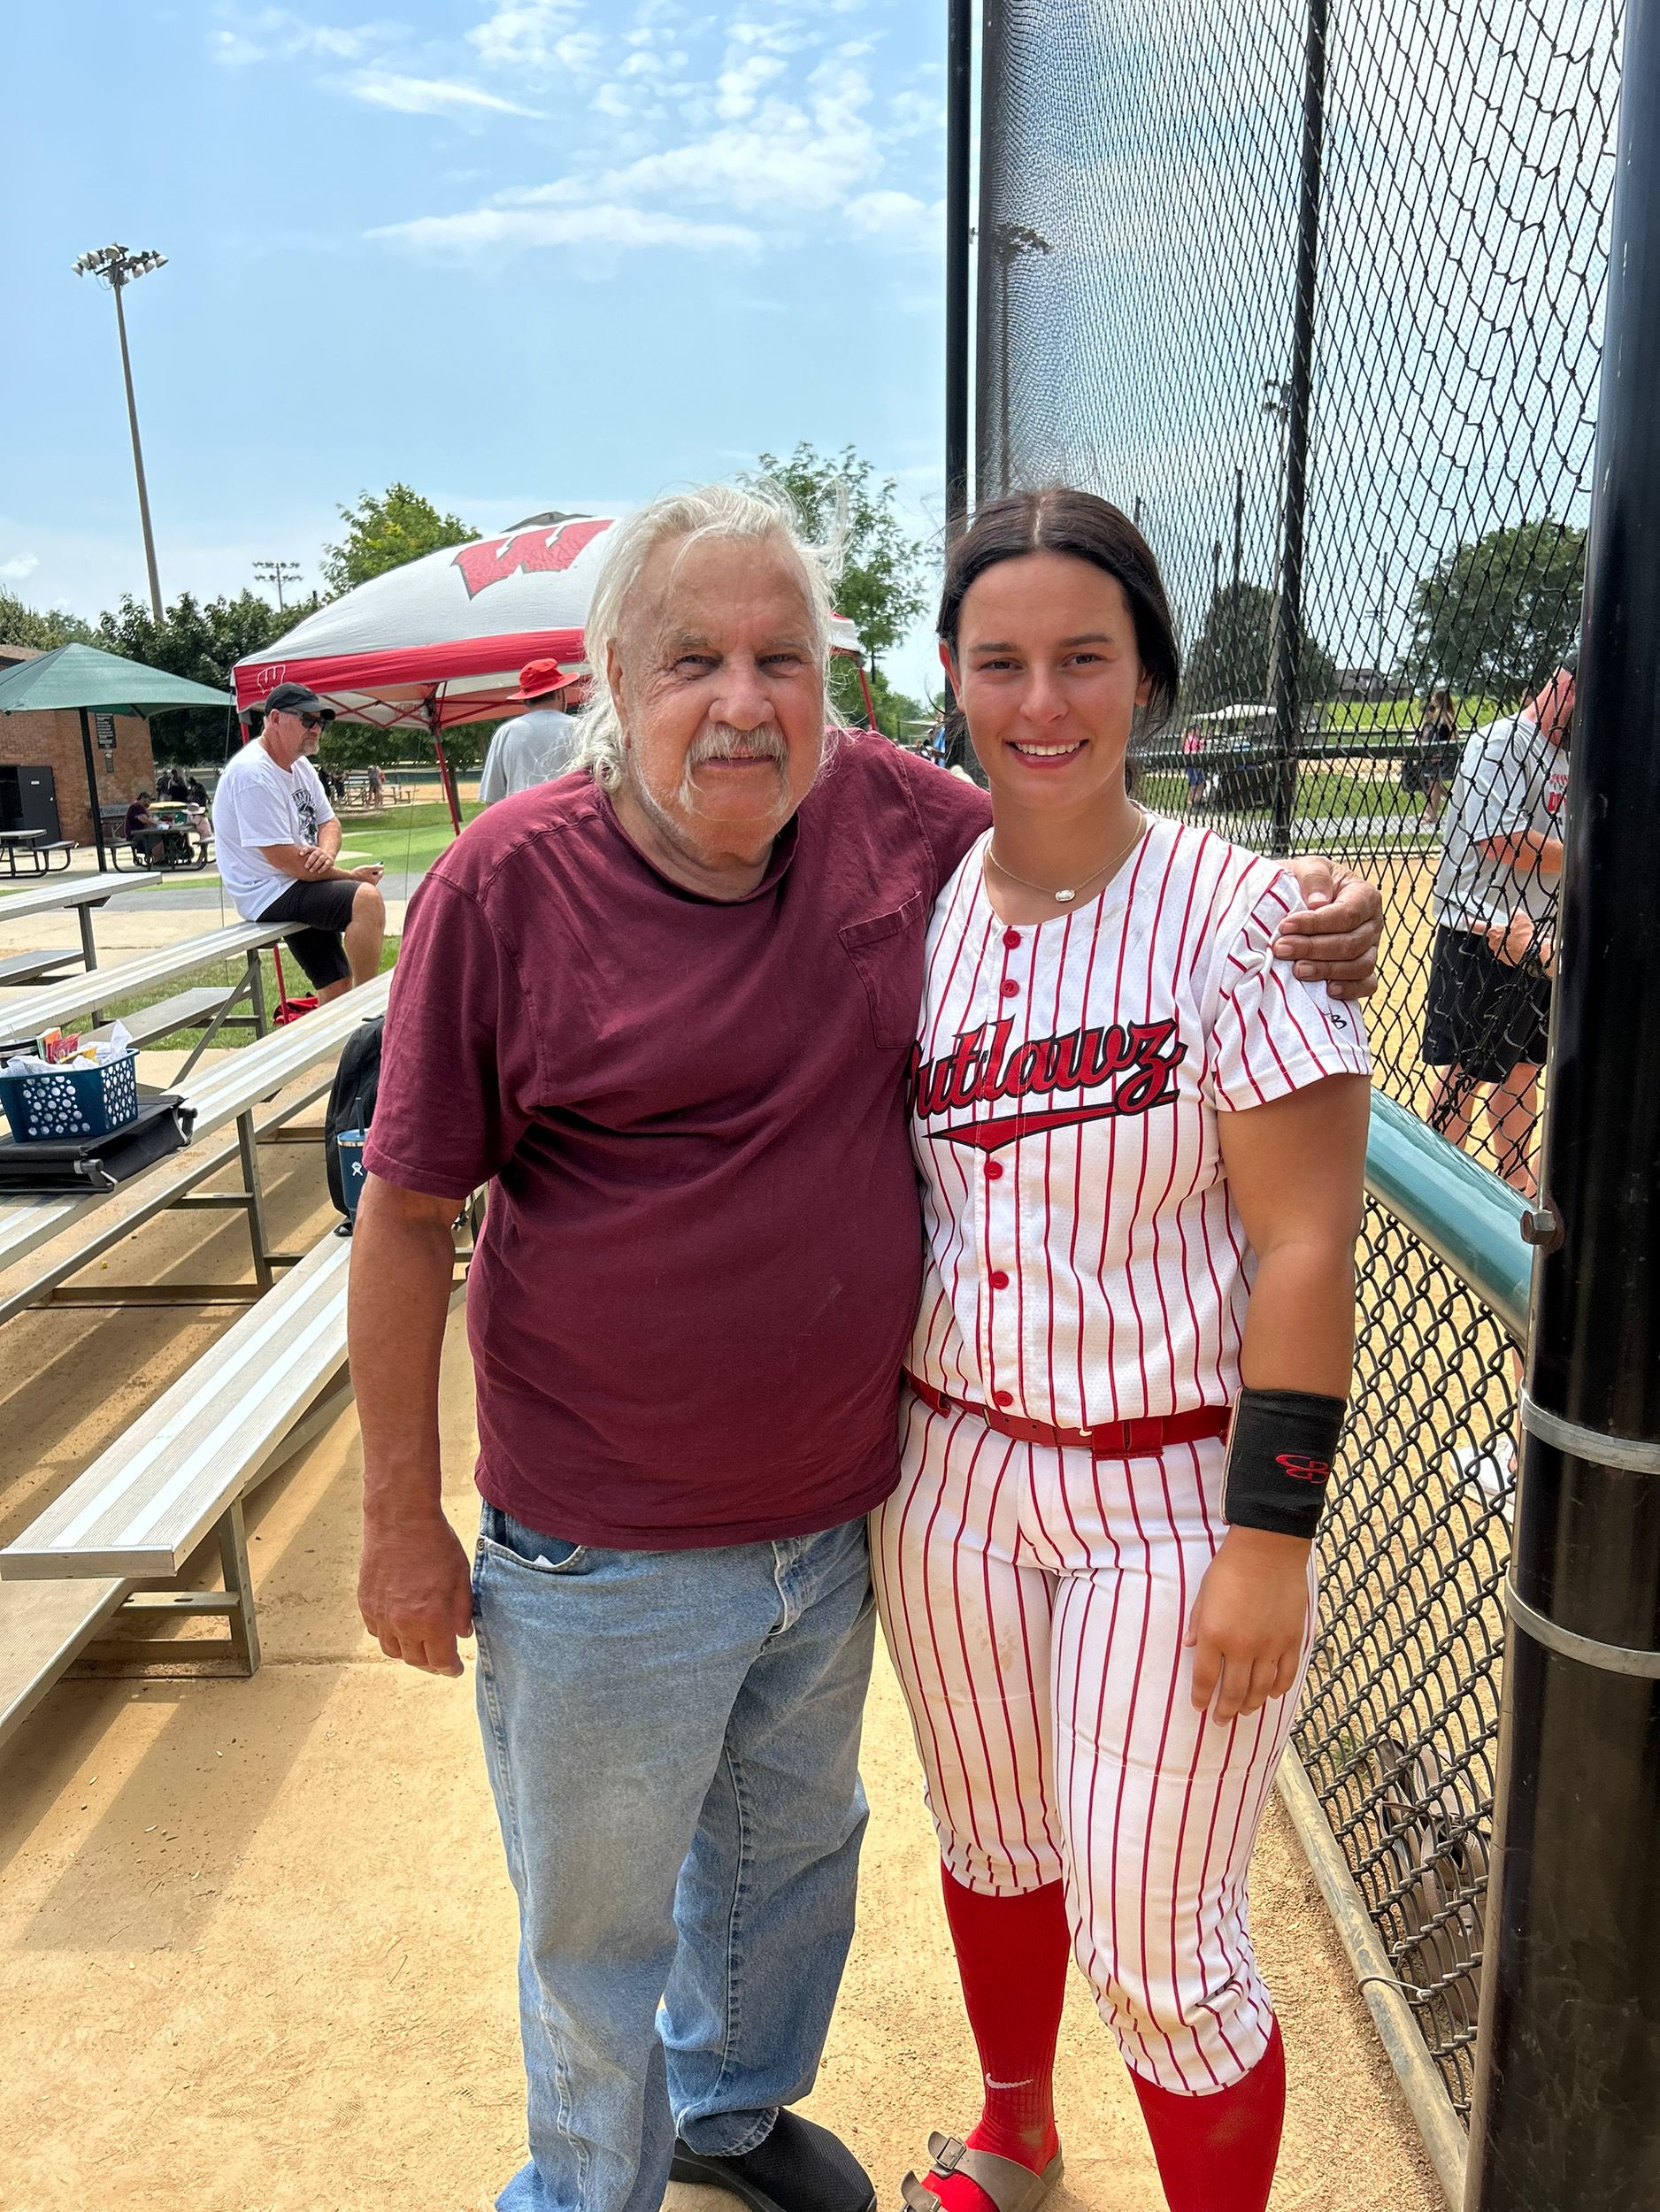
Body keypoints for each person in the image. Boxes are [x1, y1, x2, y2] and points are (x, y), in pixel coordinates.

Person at [347, 485, 1382, 2212]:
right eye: (691, 659)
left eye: (778, 658)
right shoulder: (558, 883)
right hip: (757, 1512)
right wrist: (398, 1512)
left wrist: (1307, 895)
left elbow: (1275, 1189)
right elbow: (401, 1208)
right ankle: (703, 2174)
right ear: (611, 674)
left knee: (914, 1896)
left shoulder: (934, 835)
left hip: (956, 1506)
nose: (739, 700)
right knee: (654, 1909)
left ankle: (737, 2126)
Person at [872, 489, 1371, 2212]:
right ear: (947, 676)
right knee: (994, 1844)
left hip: (1167, 1490)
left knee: (1160, 1942)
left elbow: (1308, 1240)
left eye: (1082, 656)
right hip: (943, 1475)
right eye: (999, 659)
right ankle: (1014, 2133)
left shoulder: (1244, 918)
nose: (1040, 700)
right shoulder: (921, 899)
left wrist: (1270, 1532)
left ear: (1146, 676)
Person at [1421, 657, 1573, 1191]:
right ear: (1564, 683)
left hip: (1538, 935)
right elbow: (1500, 840)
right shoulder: (1502, 742)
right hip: (1481, 926)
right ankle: (1440, 1180)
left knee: (1524, 1068)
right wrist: (1590, 860)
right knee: (1464, 1071)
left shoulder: (1571, 754)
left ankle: (1516, 1183)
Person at [213, 682, 387, 1003]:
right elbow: (286, 861)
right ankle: (367, 1013)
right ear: (275, 719)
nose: (317, 728)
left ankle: (340, 1048)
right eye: (308, 720)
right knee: (366, 899)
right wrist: (351, 877)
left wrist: (326, 854)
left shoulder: (300, 766)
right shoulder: (252, 773)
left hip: (296, 883)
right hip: (267, 891)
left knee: (336, 985)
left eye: (321, 721)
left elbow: (329, 821)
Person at [477, 659, 582, 804]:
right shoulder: (581, 729)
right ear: (559, 692)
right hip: (571, 819)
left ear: (526, 699)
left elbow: (492, 798)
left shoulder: (506, 733)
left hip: (522, 821)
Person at [1415, 684, 1459, 826]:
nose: (1432, 699)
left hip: (1442, 755)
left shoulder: (1446, 715)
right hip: (1434, 754)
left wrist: (1444, 751)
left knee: (1434, 784)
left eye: (1434, 697)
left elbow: (1454, 733)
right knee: (1432, 784)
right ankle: (1431, 810)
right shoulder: (1439, 715)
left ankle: (1433, 815)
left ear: (1439, 700)